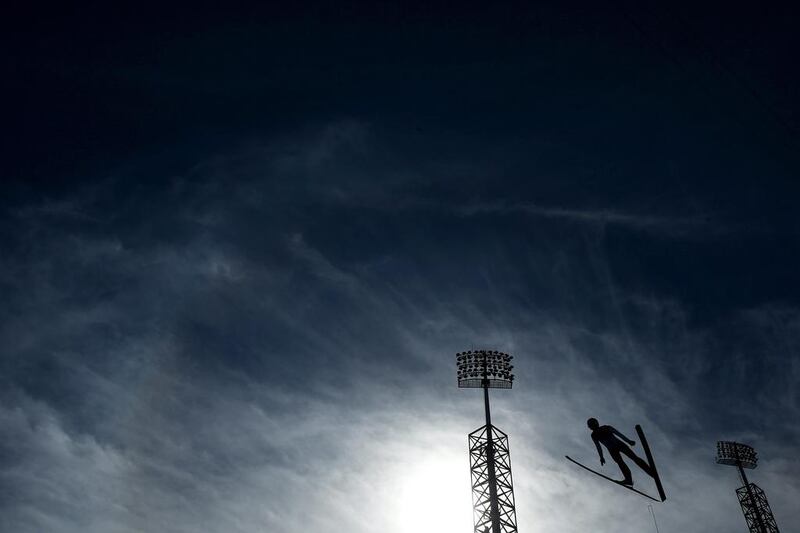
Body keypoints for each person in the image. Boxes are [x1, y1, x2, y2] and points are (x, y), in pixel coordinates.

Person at [587, 417, 652, 486]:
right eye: (591, 425)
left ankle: (649, 471)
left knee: (633, 458)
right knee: (621, 463)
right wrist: (601, 457)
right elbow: (598, 447)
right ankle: (628, 480)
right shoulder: (594, 435)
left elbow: (618, 434)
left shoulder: (606, 427)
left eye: (593, 424)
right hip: (612, 450)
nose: (593, 426)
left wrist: (628, 441)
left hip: (619, 445)